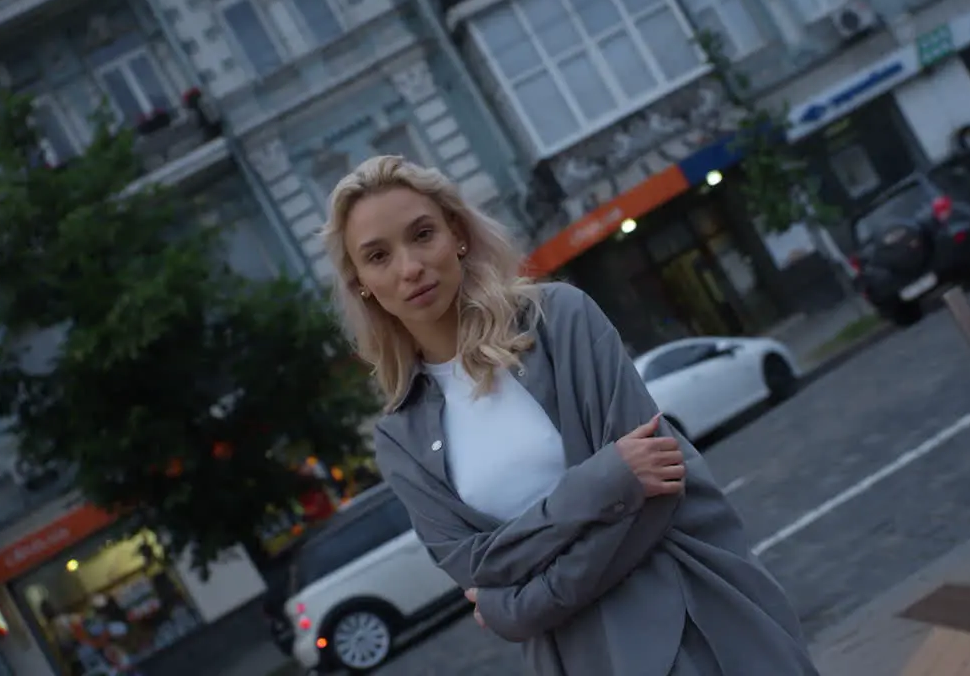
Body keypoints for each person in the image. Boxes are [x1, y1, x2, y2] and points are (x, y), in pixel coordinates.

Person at [320, 154, 820, 675]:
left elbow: (660, 485)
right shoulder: (398, 437)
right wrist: (606, 483)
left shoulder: (559, 319)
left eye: (422, 234)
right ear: (361, 282)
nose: (409, 267)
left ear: (458, 233)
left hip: (696, 622)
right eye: (378, 256)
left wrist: (516, 601)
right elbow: (481, 567)